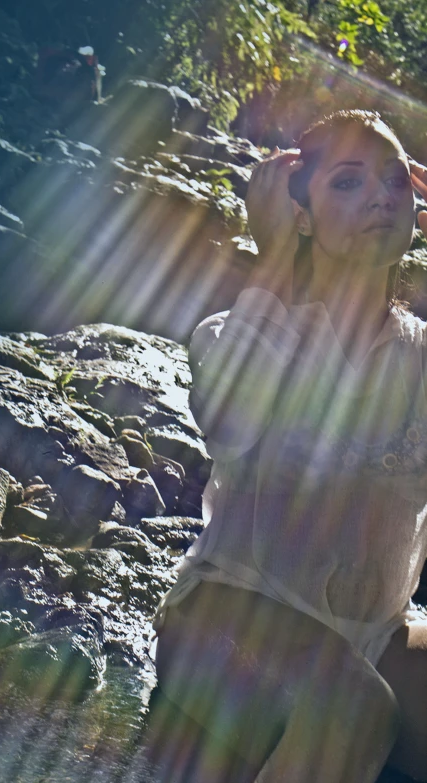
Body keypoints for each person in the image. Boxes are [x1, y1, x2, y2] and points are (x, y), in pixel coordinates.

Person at [153, 110, 427, 783]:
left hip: (372, 633)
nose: (380, 197)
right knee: (350, 708)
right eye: (346, 182)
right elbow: (232, 423)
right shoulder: (239, 328)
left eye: (394, 180)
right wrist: (272, 256)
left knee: (367, 691)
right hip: (226, 617)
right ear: (298, 215)